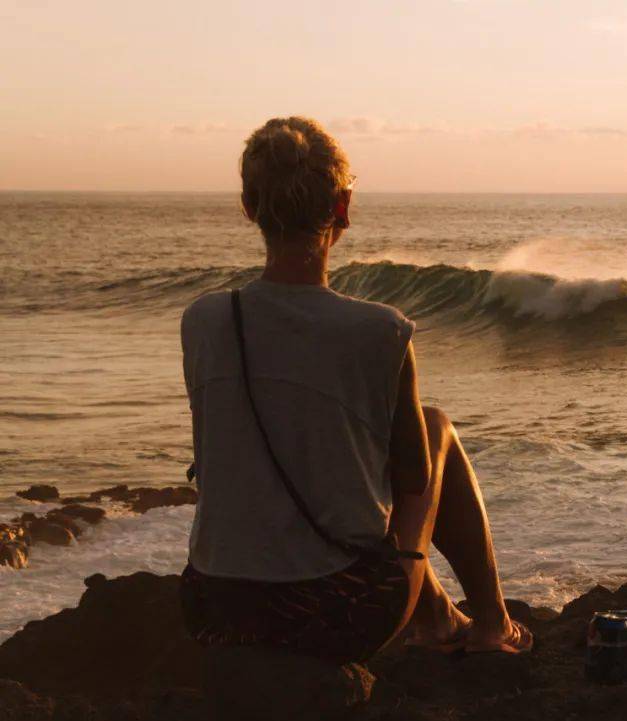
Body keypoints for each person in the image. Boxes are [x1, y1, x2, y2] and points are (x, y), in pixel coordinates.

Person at [178, 116, 532, 662]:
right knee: (433, 428)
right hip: (338, 616)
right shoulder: (380, 331)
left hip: (214, 610)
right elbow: (413, 481)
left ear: (248, 208)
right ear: (342, 209)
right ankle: (493, 623)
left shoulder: (203, 319)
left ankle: (438, 617)